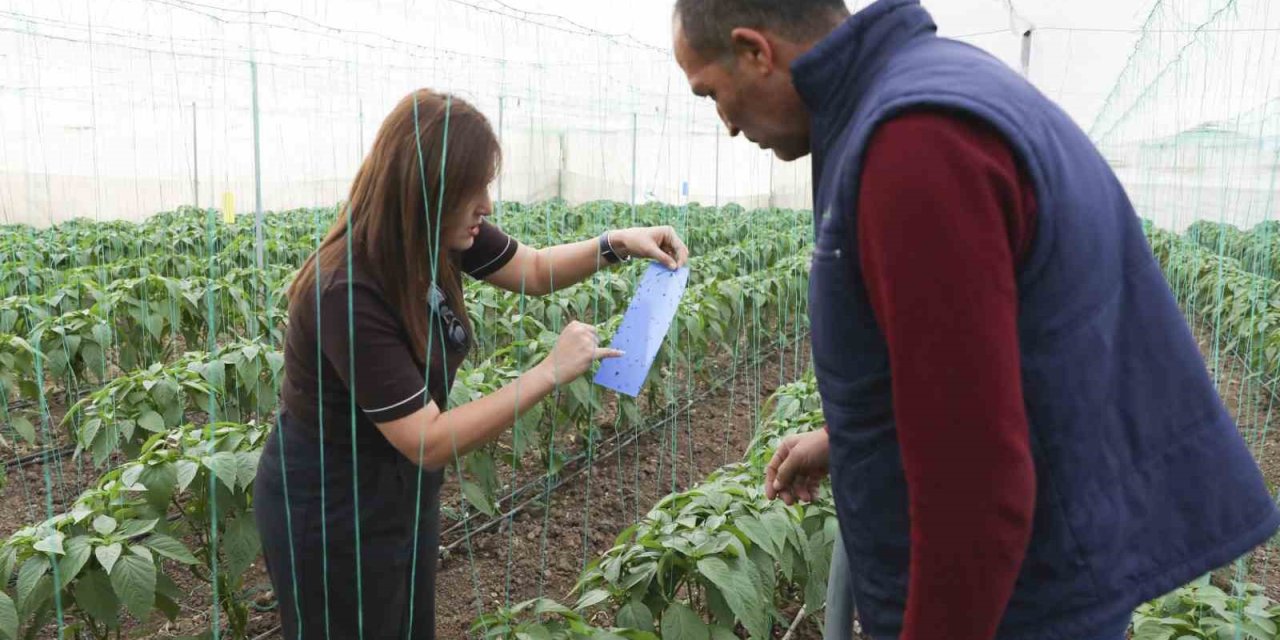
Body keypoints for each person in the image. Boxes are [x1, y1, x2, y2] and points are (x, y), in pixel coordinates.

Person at [672, 1, 1280, 639]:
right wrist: (851, 436)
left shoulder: (914, 144)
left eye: (711, 93)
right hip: (1048, 569)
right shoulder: (933, 90)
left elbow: (976, 491)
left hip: (1022, 605)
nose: (726, 124)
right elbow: (1000, 356)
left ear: (755, 51)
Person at [254, 88, 689, 639]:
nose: (486, 204)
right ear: (425, 191)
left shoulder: (441, 235)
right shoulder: (346, 290)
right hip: (332, 507)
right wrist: (549, 372)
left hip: (401, 486)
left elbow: (534, 270)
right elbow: (428, 439)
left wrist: (618, 243)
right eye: (473, 188)